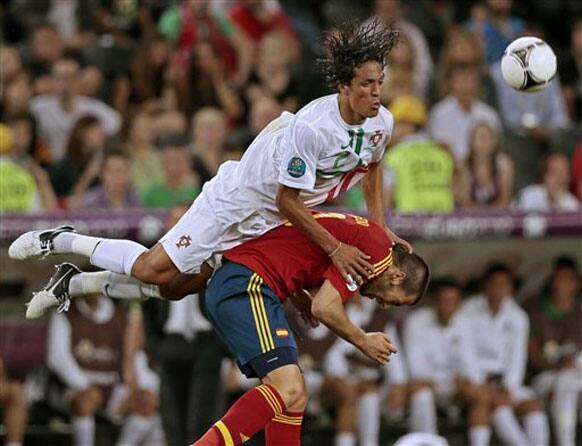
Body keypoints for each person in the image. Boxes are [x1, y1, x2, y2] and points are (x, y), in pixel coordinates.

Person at [12, 19, 411, 313]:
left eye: (379, 83)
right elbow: (287, 199)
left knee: (179, 288)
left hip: (269, 218)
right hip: (238, 200)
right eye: (365, 84)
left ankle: (76, 282)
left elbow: (372, 167)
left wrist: (380, 226)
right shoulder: (312, 128)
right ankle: (60, 240)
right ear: (343, 86)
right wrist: (337, 249)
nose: (376, 92)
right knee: (153, 269)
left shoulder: (383, 122)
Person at [191, 211, 429, 445]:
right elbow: (324, 307)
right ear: (397, 276)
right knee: (287, 386)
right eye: (395, 300)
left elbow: (295, 244)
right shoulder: (377, 257)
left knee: (296, 395)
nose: (386, 305)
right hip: (247, 284)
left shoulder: (372, 240)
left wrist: (297, 290)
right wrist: (363, 339)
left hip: (251, 283)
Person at [458, 264, 550, 446]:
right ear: (485, 285)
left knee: (534, 408)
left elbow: (518, 356)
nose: (498, 289)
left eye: (504, 285)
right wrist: (480, 383)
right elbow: (464, 350)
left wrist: (510, 387)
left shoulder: (518, 316)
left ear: (511, 288)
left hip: (506, 382)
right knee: (499, 407)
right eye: (494, 284)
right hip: (476, 381)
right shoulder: (468, 310)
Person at [403, 279, 492, 446]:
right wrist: (444, 382)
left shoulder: (464, 322)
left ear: (458, 304)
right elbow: (416, 367)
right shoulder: (417, 321)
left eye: (452, 301)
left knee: (479, 394)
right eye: (443, 300)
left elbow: (470, 361)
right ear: (434, 301)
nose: (446, 306)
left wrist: (468, 380)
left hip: (452, 387)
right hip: (425, 384)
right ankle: (429, 443)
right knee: (422, 394)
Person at [526, 256, 581, 446]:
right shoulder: (535, 312)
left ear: (576, 284)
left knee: (570, 382)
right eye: (557, 278)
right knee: (566, 383)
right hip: (544, 379)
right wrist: (559, 366)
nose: (560, 284)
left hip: (577, 378)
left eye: (566, 279)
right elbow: (533, 357)